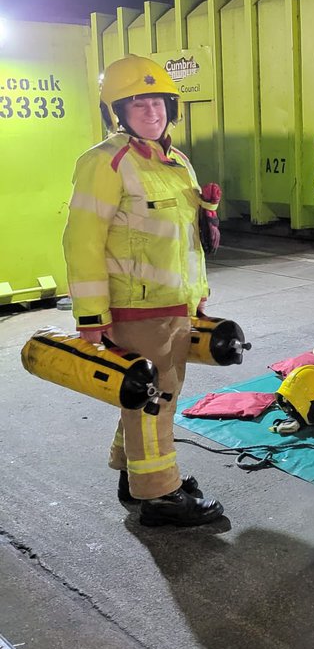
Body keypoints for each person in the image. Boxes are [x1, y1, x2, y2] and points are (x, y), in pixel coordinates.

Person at [62, 55, 224, 527]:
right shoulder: (104, 163)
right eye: (138, 104)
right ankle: (160, 495)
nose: (152, 112)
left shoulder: (178, 163)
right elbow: (82, 241)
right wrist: (91, 316)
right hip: (136, 309)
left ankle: (133, 473)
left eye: (159, 101)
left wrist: (198, 292)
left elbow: (183, 236)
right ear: (118, 111)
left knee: (144, 394)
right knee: (157, 398)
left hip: (175, 305)